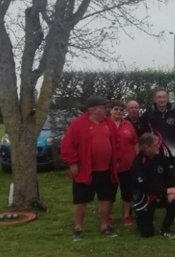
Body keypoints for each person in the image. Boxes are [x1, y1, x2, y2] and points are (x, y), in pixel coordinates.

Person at [61, 95, 119, 240]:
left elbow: (116, 143)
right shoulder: (78, 124)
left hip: (106, 170)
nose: (106, 110)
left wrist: (116, 160)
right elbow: (67, 145)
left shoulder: (109, 123)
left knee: (107, 197)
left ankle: (105, 225)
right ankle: (78, 228)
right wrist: (73, 163)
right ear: (92, 109)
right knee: (80, 200)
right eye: (103, 107)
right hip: (85, 170)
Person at [130, 133, 175, 238]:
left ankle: (165, 228)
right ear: (146, 148)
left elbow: (170, 173)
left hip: (161, 194)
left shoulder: (160, 157)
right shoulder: (138, 163)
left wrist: (172, 190)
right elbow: (145, 185)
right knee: (147, 234)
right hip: (145, 197)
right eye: (156, 145)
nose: (159, 146)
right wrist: (165, 191)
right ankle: (142, 219)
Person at [109, 100, 139, 226]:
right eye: (116, 109)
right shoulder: (105, 124)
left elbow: (135, 142)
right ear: (110, 110)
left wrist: (138, 160)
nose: (118, 112)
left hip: (128, 165)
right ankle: (107, 217)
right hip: (110, 166)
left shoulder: (128, 124)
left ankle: (126, 215)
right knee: (109, 193)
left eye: (121, 110)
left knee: (127, 192)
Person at [139, 88, 175, 166]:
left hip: (171, 152)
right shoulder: (149, 113)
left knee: (170, 176)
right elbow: (142, 132)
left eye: (164, 97)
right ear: (155, 99)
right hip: (154, 152)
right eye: (159, 97)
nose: (162, 99)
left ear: (167, 98)